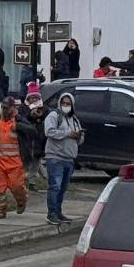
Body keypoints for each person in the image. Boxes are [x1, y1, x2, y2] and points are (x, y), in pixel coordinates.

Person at [0, 95, 29, 218]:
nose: (4, 110)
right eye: (3, 107)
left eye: (7, 108)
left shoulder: (19, 120)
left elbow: (32, 131)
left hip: (15, 161)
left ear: (13, 108)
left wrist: (19, 127)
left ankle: (21, 200)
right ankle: (0, 210)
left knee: (16, 186)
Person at [42, 90, 82, 225]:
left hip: (69, 158)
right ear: (59, 103)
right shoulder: (53, 116)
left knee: (63, 188)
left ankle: (58, 212)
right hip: (55, 157)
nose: (66, 105)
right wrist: (67, 133)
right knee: (55, 186)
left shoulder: (75, 119)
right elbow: (49, 131)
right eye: (64, 103)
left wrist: (79, 135)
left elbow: (79, 140)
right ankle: (51, 213)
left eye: (68, 103)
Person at [20, 85, 48, 191]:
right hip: (26, 140)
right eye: (32, 98)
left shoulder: (43, 108)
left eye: (36, 98)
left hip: (38, 140)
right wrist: (30, 115)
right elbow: (21, 120)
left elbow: (47, 115)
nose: (34, 100)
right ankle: (23, 180)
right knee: (26, 162)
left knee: (36, 161)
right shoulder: (23, 108)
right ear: (28, 98)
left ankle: (32, 182)